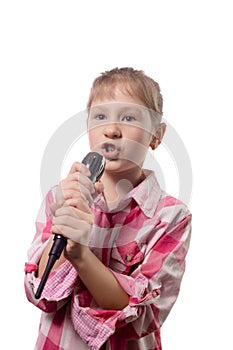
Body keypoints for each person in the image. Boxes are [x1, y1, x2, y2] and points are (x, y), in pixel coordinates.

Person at [24, 67, 192, 350]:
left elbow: (144, 318)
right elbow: (39, 293)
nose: (111, 129)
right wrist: (61, 228)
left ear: (156, 135)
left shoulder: (170, 216)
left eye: (128, 118)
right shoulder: (61, 196)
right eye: (100, 116)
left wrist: (80, 256)